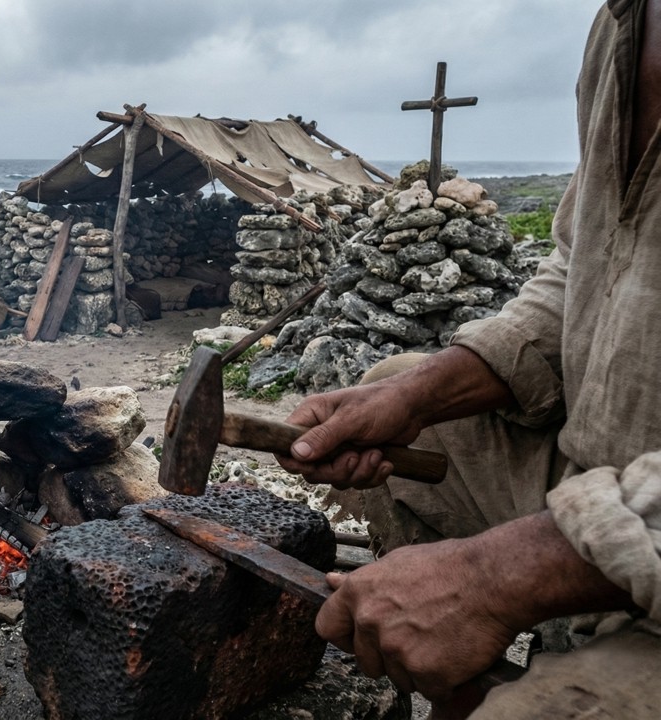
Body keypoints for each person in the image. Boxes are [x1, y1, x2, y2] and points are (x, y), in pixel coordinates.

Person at [277, 2, 660, 716]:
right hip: (594, 472)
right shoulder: (622, 25)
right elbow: (583, 270)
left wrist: (496, 577)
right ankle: (465, 669)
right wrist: (419, 394)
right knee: (399, 401)